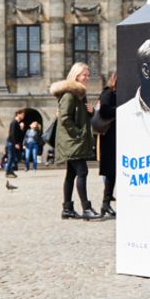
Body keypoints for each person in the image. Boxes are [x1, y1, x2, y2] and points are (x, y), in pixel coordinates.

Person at [52, 62, 100, 220]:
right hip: (72, 141)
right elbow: (65, 119)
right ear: (76, 75)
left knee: (71, 174)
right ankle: (86, 208)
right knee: (82, 171)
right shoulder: (69, 95)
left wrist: (92, 113)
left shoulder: (80, 95)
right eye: (84, 74)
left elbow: (82, 119)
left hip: (75, 141)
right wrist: (78, 134)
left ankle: (67, 209)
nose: (87, 77)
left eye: (88, 74)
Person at [97, 71, 118, 217]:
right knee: (111, 171)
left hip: (117, 136)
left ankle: (106, 203)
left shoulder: (117, 94)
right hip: (110, 137)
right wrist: (121, 110)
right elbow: (104, 110)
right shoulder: (108, 92)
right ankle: (105, 203)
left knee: (114, 172)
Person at [4, 109, 26, 178]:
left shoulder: (17, 123)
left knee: (13, 157)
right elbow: (13, 134)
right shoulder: (14, 122)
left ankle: (10, 170)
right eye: (22, 114)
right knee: (11, 157)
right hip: (11, 142)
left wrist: (21, 128)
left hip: (12, 142)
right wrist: (16, 143)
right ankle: (8, 171)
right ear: (18, 114)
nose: (23, 116)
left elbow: (20, 135)